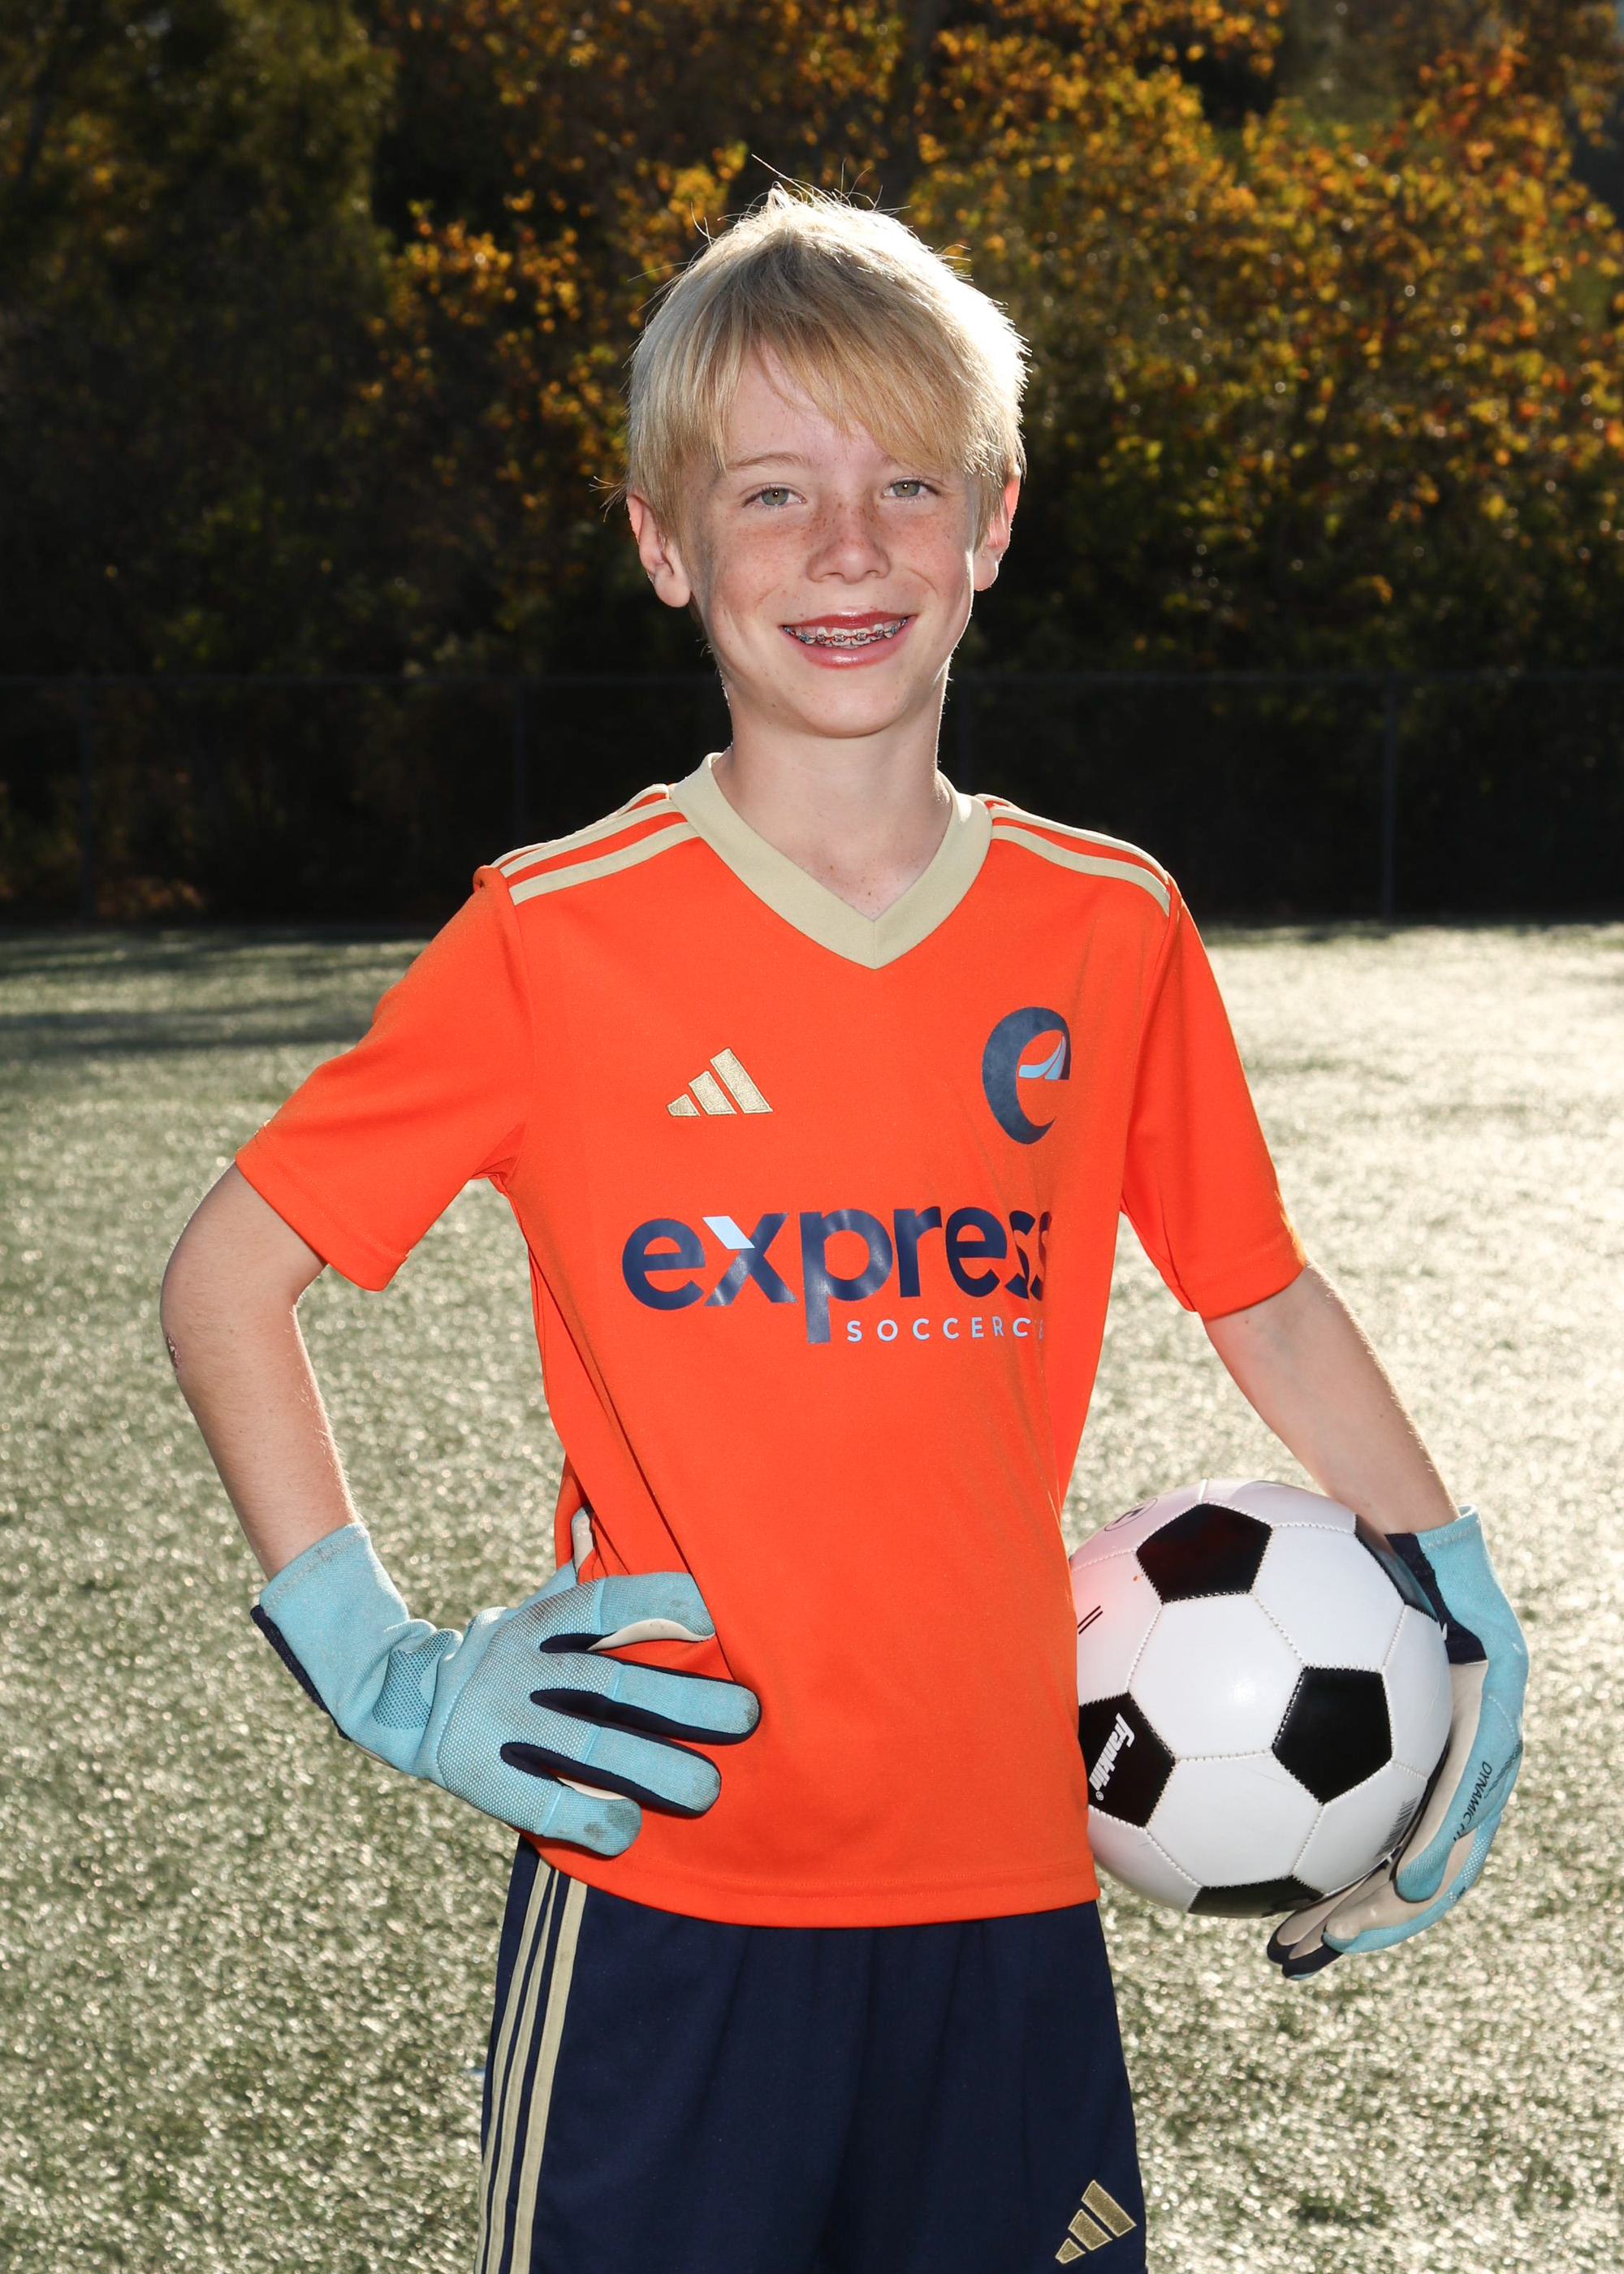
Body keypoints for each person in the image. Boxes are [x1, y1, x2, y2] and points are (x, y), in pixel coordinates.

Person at [159, 186, 1526, 2274]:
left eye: (907, 484)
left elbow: (1253, 1289)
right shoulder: (554, 932)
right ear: (663, 541)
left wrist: (1457, 1586)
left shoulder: (1107, 924)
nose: (847, 546)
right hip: (665, 1881)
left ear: (991, 520)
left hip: (1010, 1889)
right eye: (772, 492)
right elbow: (228, 1277)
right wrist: (382, 1663)